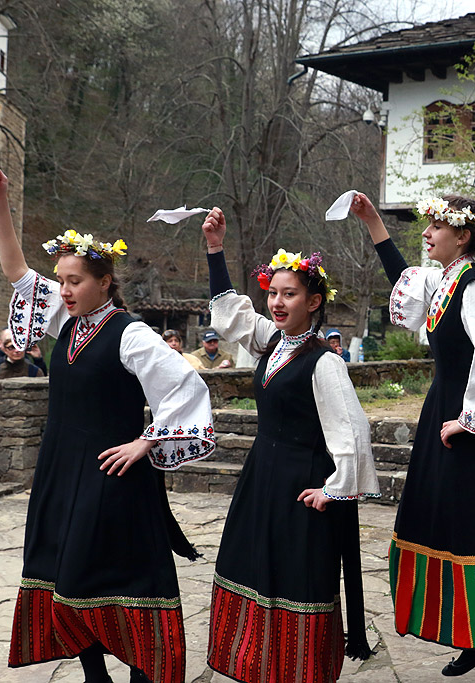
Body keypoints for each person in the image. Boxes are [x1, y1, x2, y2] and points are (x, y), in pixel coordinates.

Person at [0, 162, 215, 683]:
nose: (63, 290)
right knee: (66, 571)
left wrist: (146, 442)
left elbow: (187, 389)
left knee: (123, 575)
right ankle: (95, 674)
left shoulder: (130, 335)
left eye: (75, 281)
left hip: (113, 477)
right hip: (62, 471)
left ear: (104, 282)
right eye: (61, 280)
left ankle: (141, 671)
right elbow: (17, 271)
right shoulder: (65, 322)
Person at [351, 192, 475, 683]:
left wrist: (470, 418)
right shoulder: (446, 278)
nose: (427, 235)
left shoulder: (472, 285)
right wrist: (373, 225)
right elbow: (405, 283)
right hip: (447, 417)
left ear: (464, 236)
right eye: (427, 227)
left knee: (474, 535)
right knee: (451, 529)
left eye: (436, 227)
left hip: (463, 431)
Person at [200, 208, 380, 682]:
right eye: (274, 293)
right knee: (256, 566)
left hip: (302, 482)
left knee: (297, 575)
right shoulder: (272, 344)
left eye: (290, 294)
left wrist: (335, 489)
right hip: (264, 477)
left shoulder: (324, 363)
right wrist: (216, 250)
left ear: (313, 300)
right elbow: (232, 316)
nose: (277, 303)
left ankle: (299, 669)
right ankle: (261, 663)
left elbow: (353, 430)